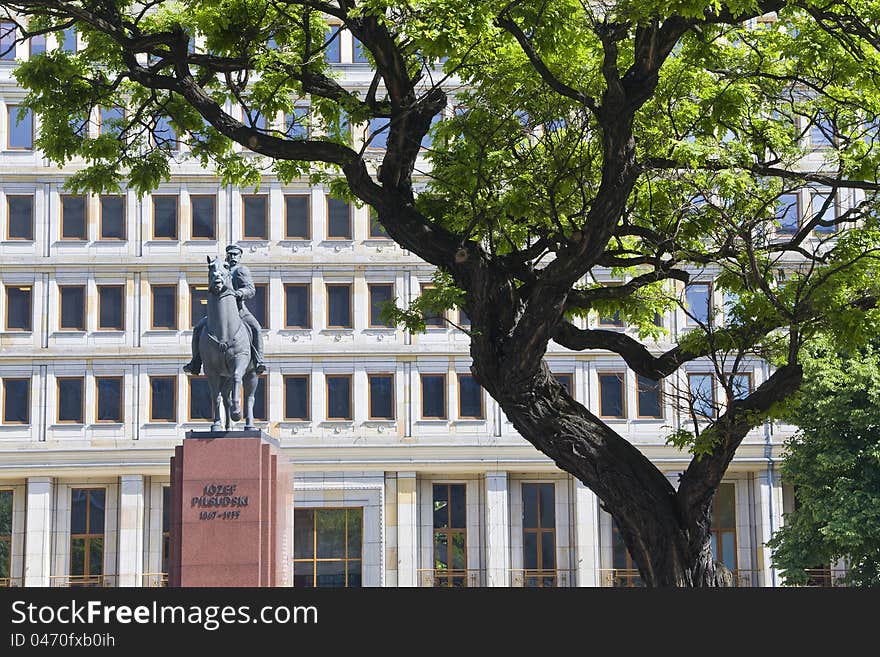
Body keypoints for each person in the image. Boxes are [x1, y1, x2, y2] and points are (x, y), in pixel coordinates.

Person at [184, 244, 267, 375]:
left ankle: (258, 360)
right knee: (198, 329)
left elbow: (251, 289)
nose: (232, 256)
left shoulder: (241, 270)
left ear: (240, 256)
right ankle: (195, 362)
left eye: (235, 254)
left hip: (240, 311)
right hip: (219, 312)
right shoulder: (221, 269)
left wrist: (239, 293)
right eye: (230, 254)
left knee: (255, 328)